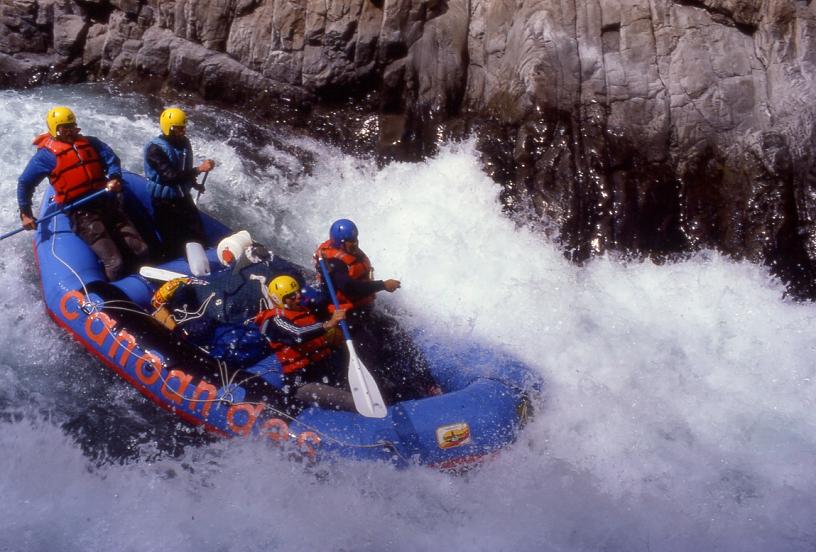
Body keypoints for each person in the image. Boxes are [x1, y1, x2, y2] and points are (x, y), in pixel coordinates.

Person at [314, 219, 442, 401]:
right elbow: (350, 288)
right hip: (348, 319)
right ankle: (383, 398)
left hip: (365, 311)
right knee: (369, 354)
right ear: (340, 243)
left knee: (399, 337)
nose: (355, 243)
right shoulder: (334, 264)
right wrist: (383, 285)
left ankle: (428, 383)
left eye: (356, 239)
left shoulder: (350, 253)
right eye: (351, 241)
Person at [17, 106, 149, 281]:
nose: (70, 131)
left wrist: (115, 176)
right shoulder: (45, 157)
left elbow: (112, 160)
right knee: (114, 262)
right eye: (64, 128)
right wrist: (25, 213)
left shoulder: (91, 143)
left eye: (72, 126)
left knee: (141, 250)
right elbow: (25, 183)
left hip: (105, 202)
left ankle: (148, 284)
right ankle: (116, 296)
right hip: (81, 212)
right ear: (54, 129)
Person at [143, 107, 215, 259]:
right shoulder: (155, 149)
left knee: (197, 232)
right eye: (178, 129)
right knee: (173, 240)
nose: (182, 132)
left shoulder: (183, 143)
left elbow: (183, 170)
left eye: (183, 128)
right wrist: (199, 169)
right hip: (164, 202)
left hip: (182, 197)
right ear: (168, 128)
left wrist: (194, 184)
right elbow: (170, 176)